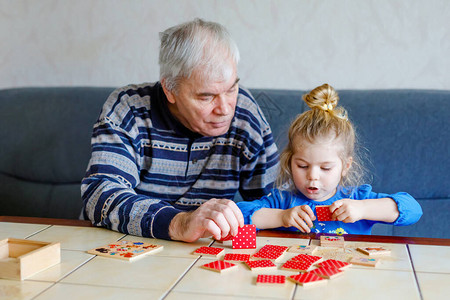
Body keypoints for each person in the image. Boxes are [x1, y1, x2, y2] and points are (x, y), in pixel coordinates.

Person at [81, 18, 279, 242]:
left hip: (202, 255)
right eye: (207, 96)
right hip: (127, 246)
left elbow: (277, 201)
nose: (225, 109)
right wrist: (179, 222)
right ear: (170, 89)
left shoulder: (245, 112)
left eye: (232, 88)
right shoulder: (127, 110)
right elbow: (100, 196)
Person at [237, 84, 422, 235]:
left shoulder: (356, 199)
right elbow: (239, 215)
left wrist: (363, 209)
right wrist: (282, 217)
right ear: (289, 162)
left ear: (345, 166)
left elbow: (413, 210)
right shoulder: (282, 201)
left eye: (325, 168)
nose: (313, 176)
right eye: (302, 165)